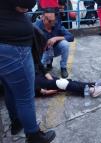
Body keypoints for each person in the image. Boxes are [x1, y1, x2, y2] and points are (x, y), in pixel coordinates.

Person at [0, 1, 55, 143]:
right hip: (13, 45)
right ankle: (33, 136)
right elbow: (25, 3)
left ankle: (16, 122)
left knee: (8, 87)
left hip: (6, 43)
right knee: (25, 96)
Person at [32, 26, 101, 97]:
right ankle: (91, 90)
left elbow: (39, 64)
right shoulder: (28, 51)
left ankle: (91, 85)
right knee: (61, 83)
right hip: (33, 82)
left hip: (37, 75)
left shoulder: (33, 50)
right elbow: (23, 81)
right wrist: (41, 91)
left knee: (62, 82)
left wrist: (47, 75)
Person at [34, 9, 74, 78]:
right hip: (43, 51)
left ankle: (63, 67)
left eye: (53, 21)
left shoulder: (56, 24)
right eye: (49, 21)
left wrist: (56, 38)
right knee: (38, 71)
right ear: (42, 17)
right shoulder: (36, 26)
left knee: (65, 44)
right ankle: (48, 63)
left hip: (55, 49)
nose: (52, 23)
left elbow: (71, 37)